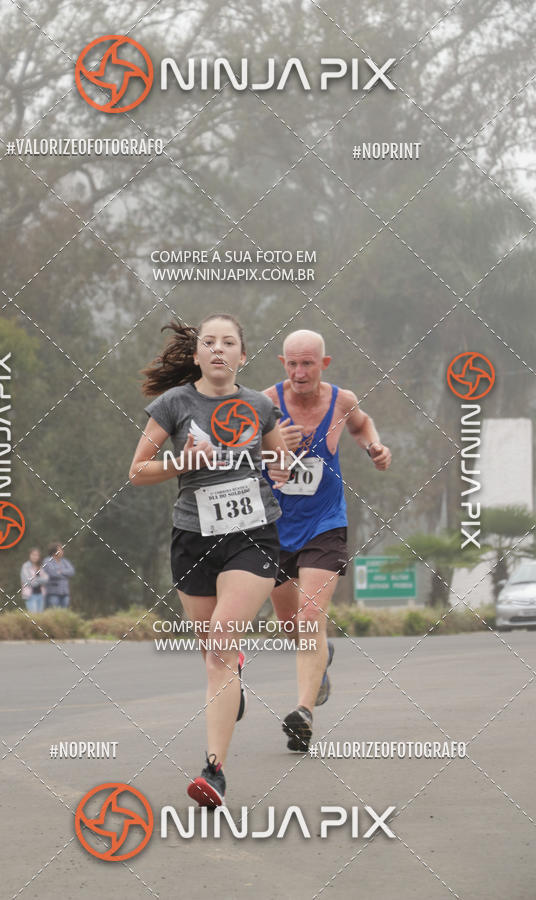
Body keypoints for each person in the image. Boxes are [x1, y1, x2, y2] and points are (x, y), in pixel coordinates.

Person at [129, 313, 290, 807]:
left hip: (253, 537)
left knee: (219, 646)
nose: (218, 349)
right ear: (197, 355)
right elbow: (137, 471)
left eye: (229, 343)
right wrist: (184, 461)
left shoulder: (260, 406)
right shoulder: (175, 404)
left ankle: (213, 771)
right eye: (209, 342)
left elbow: (279, 464)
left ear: (243, 356)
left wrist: (281, 465)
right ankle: (234, 671)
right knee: (215, 657)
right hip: (193, 539)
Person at [264, 329, 392, 751]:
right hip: (277, 529)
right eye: (293, 364)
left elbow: (362, 425)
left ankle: (303, 713)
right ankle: (321, 664)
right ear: (283, 364)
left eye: (308, 364)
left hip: (325, 523)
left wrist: (373, 445)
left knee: (309, 618)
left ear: (324, 364)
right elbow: (235, 452)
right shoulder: (265, 404)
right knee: (290, 626)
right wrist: (270, 453)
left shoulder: (342, 401)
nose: (300, 373)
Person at [42, 542, 75, 609]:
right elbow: (52, 573)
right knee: (53, 614)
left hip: (65, 592)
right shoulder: (47, 561)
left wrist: (61, 571)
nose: (62, 551)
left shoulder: (65, 561)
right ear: (54, 552)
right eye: (60, 550)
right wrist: (65, 574)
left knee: (64, 614)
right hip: (53, 593)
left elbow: (72, 572)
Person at [20, 547, 48, 614]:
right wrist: (40, 581)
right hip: (30, 595)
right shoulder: (26, 566)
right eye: (33, 555)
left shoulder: (40, 566)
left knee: (40, 617)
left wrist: (36, 579)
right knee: (33, 617)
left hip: (41, 595)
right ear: (29, 555)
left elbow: (46, 579)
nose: (35, 557)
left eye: (37, 555)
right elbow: (28, 581)